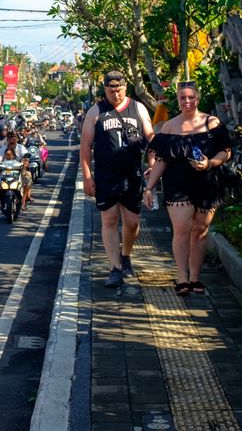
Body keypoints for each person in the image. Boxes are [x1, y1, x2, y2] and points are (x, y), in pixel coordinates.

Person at [143, 82, 233, 295]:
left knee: (200, 231)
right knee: (182, 228)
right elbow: (162, 160)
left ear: (198, 98)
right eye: (183, 98)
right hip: (177, 184)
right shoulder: (169, 127)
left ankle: (195, 278)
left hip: (207, 182)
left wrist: (209, 163)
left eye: (191, 97)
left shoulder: (211, 123)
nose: (187, 102)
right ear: (178, 100)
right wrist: (149, 188)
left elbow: (226, 151)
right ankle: (182, 279)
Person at [80, 70, 155, 289]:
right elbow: (85, 146)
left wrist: (153, 162)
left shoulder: (137, 108)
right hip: (106, 175)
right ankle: (115, 268)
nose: (116, 93)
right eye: (111, 89)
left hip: (132, 174)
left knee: (132, 223)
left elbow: (150, 136)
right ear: (105, 89)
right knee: (109, 220)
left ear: (126, 88)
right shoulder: (96, 111)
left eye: (119, 88)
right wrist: (87, 176)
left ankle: (126, 255)